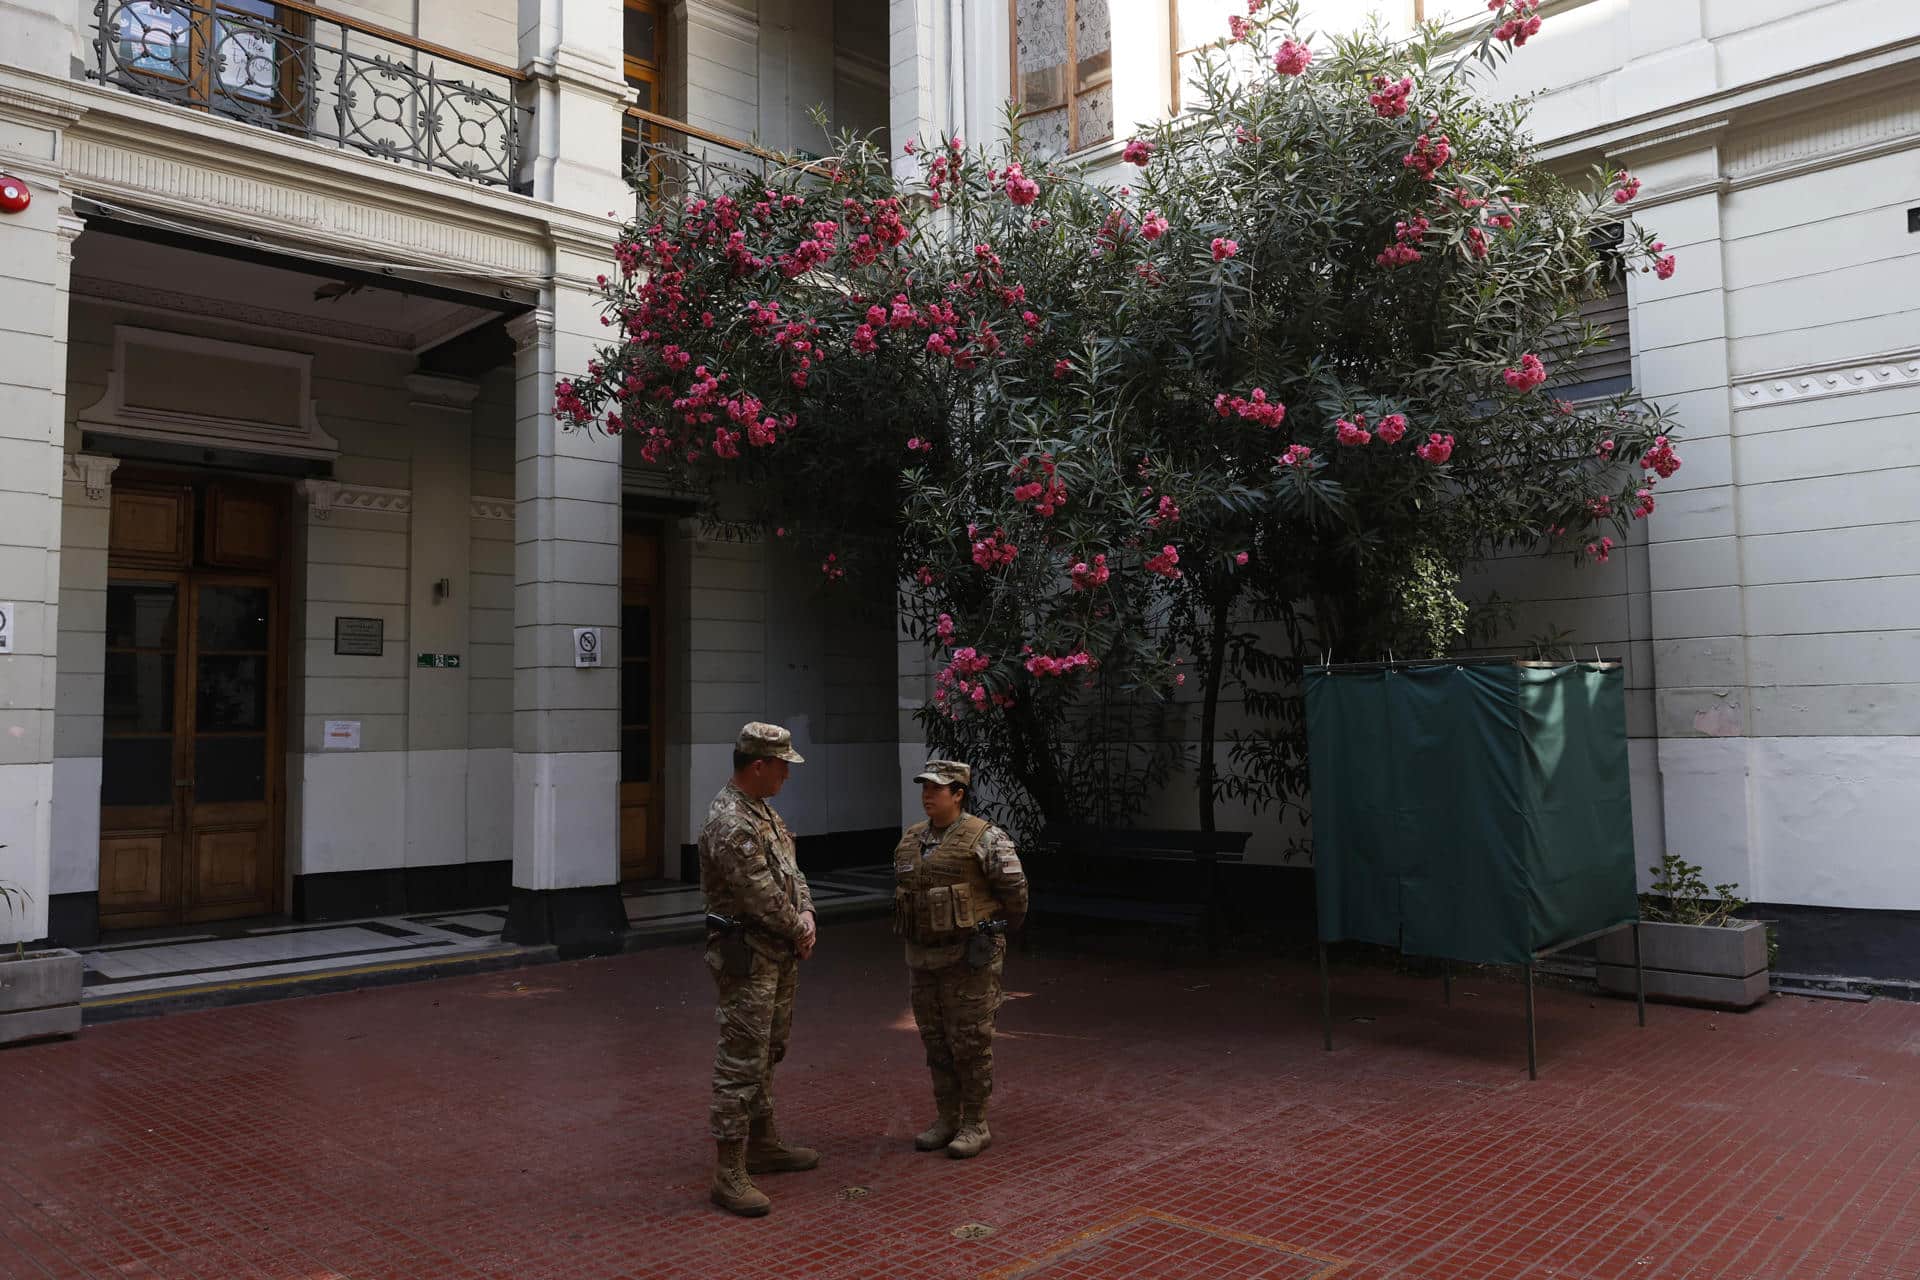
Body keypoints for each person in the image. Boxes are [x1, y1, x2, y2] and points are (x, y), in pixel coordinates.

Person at [699, 721, 820, 1217]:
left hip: (777, 952)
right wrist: (799, 927)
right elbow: (759, 895)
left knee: (768, 1049)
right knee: (740, 1060)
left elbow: (792, 872)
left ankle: (764, 1142)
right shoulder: (730, 821)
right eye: (781, 767)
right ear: (757, 765)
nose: (786, 777)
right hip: (749, 955)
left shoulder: (762, 812)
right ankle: (728, 1171)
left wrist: (807, 913)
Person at [893, 760, 1029, 1159]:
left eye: (938, 788)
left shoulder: (986, 839)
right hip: (923, 959)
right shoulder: (911, 839)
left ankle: (975, 1122)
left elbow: (1016, 893)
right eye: (925, 788)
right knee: (935, 1040)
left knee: (970, 1041)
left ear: (958, 794)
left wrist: (994, 931)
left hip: (969, 959)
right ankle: (946, 1117)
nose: (928, 795)